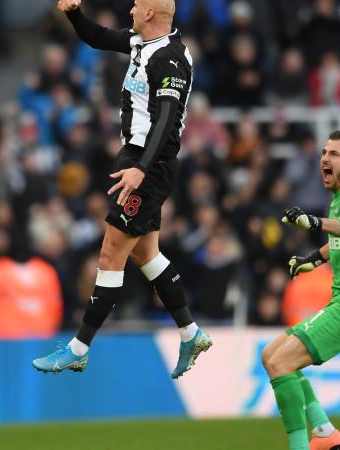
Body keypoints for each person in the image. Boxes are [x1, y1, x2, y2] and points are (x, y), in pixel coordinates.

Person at [33, 0, 211, 379]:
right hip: (135, 157)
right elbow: (96, 37)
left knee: (111, 251)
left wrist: (140, 170)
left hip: (149, 163)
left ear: (150, 13)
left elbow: (166, 119)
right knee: (146, 254)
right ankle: (190, 332)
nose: (130, 8)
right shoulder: (140, 42)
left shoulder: (171, 59)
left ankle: (78, 348)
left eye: (136, 4)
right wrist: (72, 14)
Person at [262, 130, 340, 450]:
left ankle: (302, 445)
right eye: (324, 152)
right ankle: (324, 431)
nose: (325, 159)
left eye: (335, 154)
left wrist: (312, 222)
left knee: (280, 365)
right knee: (270, 356)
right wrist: (313, 260)